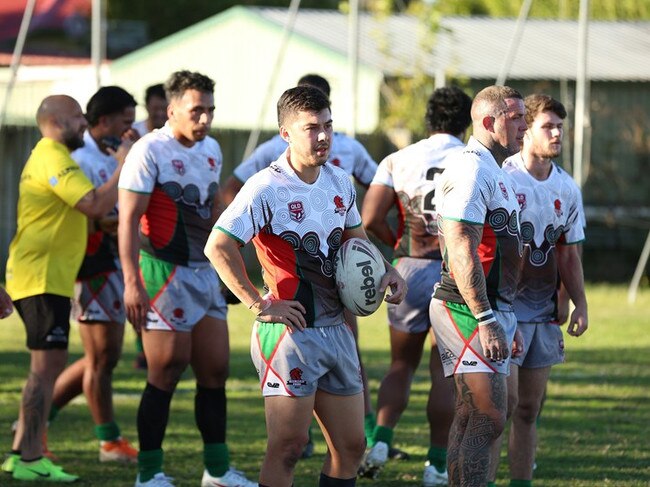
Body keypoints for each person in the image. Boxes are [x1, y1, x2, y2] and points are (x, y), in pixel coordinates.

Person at [204, 85, 407, 487]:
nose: (323, 136)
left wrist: (389, 269)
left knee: (350, 447)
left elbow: (356, 240)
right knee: (289, 446)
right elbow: (218, 245)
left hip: (337, 328)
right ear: (286, 133)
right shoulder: (266, 186)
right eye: (311, 127)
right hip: (290, 334)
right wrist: (259, 303)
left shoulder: (339, 181)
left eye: (328, 126)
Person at [118, 70, 256, 487]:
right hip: (163, 273)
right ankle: (148, 474)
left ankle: (216, 471)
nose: (206, 119)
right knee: (165, 370)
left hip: (204, 272)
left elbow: (213, 209)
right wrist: (131, 283)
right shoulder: (149, 151)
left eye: (211, 110)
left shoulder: (211, 148)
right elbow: (127, 222)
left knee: (215, 371)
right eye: (197, 110)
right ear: (172, 108)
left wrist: (233, 260)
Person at [2, 94, 127, 482]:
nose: (83, 124)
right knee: (46, 370)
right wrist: (124, 165)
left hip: (45, 276)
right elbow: (92, 204)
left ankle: (21, 452)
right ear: (56, 123)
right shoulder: (54, 156)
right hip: (42, 277)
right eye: (76, 117)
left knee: (47, 368)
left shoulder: (53, 156)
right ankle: (30, 459)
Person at [360, 86, 472, 485]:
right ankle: (436, 464)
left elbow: (370, 217)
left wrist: (397, 251)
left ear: (429, 120)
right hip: (452, 274)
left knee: (400, 365)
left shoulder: (398, 158)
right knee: (444, 371)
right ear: (467, 121)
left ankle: (381, 441)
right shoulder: (473, 159)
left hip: (408, 268)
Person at [486, 94, 588, 487]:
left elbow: (569, 253)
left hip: (543, 315)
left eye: (561, 126)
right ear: (525, 129)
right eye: (549, 126)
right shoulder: (503, 177)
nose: (558, 132)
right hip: (503, 311)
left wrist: (578, 302)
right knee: (500, 410)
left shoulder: (568, 188)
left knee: (528, 410)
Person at [428, 85, 527, 487]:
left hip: (485, 309)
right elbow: (460, 247)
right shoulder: (471, 168)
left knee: (472, 416)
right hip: (467, 309)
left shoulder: (493, 168)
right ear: (490, 122)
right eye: (517, 117)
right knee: (489, 416)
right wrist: (487, 317)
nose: (525, 125)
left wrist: (506, 315)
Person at [45, 86, 139, 463]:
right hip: (91, 266)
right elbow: (90, 213)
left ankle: (35, 422)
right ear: (104, 121)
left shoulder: (114, 154)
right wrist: (121, 222)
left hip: (115, 265)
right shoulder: (79, 158)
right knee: (100, 358)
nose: (131, 131)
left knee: (103, 356)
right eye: (126, 123)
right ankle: (108, 442)